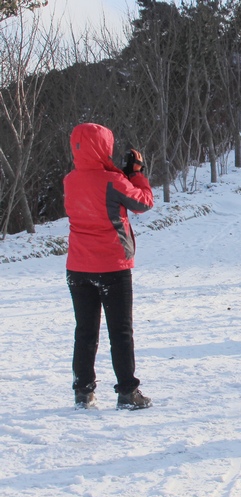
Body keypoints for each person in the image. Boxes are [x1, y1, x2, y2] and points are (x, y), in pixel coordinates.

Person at [64, 123, 154, 410]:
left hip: (78, 266)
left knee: (85, 331)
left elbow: (100, 192)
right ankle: (127, 392)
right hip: (112, 265)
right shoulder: (114, 181)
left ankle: (83, 391)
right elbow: (143, 204)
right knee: (120, 331)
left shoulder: (70, 180)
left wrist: (121, 174)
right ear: (102, 147)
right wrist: (136, 174)